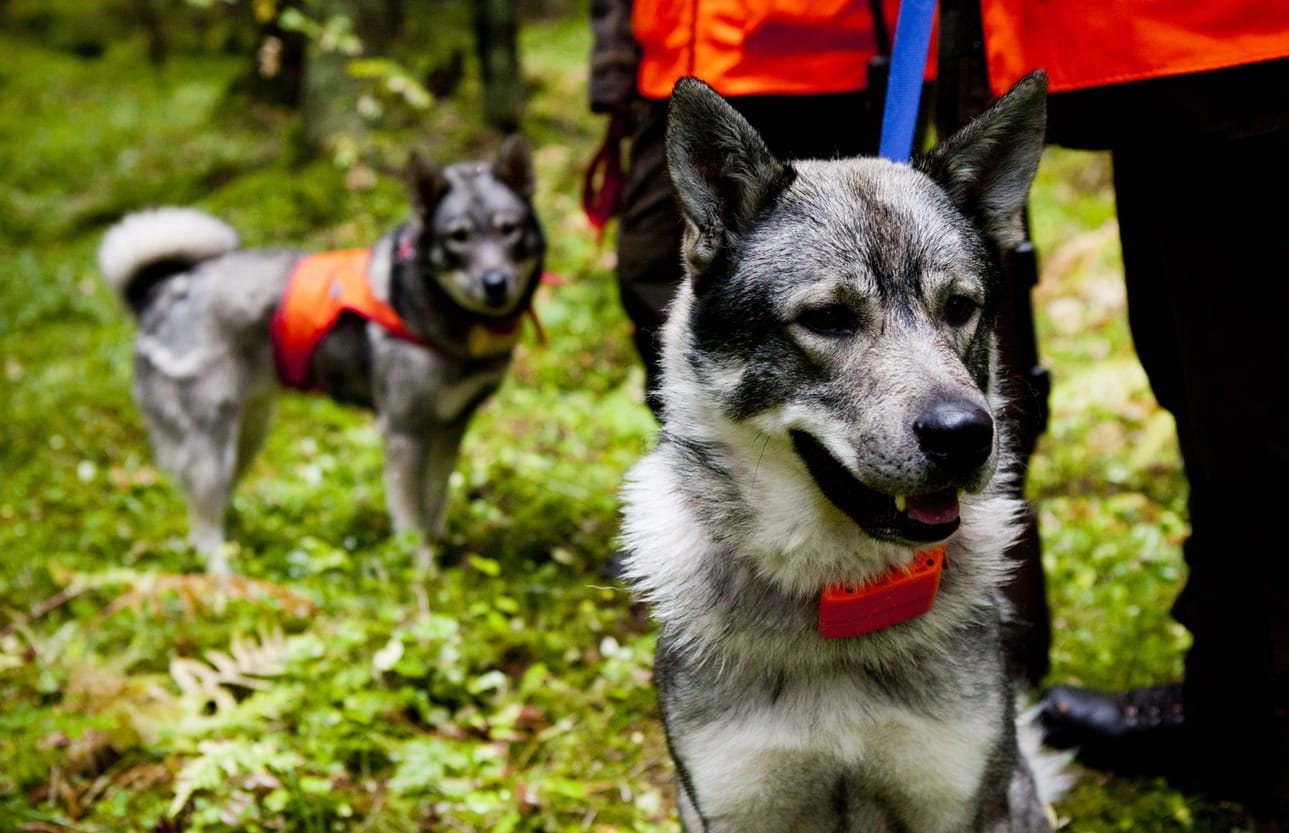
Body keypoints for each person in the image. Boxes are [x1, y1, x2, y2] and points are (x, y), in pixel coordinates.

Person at [585, 0, 1056, 688]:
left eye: (957, 309)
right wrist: (612, 73)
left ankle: (996, 664)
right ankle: (738, 550)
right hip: (684, 52)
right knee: (655, 273)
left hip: (842, 41)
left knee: (888, 263)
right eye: (832, 320)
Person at [935, 0, 1289, 828]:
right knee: (1204, 387)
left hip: (1248, 44)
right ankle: (1232, 705)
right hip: (1152, 54)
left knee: (1267, 415)